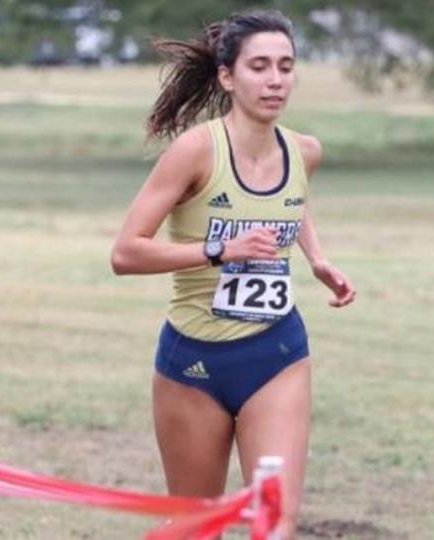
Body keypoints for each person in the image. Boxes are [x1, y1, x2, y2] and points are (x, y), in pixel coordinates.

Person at [110, 10, 355, 539]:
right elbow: (126, 253)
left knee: (275, 523)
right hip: (194, 360)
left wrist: (316, 258)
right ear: (228, 76)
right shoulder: (196, 150)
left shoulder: (304, 151)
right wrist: (222, 249)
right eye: (260, 66)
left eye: (286, 67)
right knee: (197, 528)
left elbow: (294, 203)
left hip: (277, 353)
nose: (275, 80)